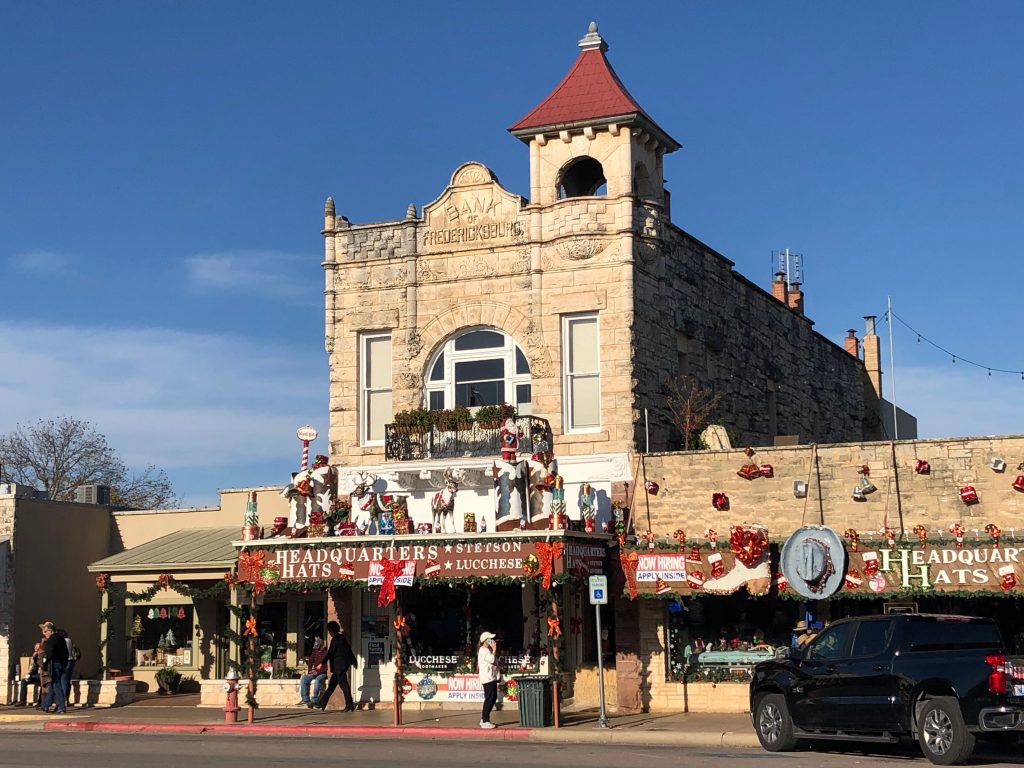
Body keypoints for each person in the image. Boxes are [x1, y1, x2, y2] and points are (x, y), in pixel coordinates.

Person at [314, 621, 356, 711]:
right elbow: (348, 649)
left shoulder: (336, 640)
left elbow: (330, 653)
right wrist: (353, 661)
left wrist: (322, 663)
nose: (329, 633)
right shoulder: (342, 638)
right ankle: (322, 704)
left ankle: (349, 705)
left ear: (332, 631)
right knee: (332, 686)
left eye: (329, 631)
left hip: (339, 667)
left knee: (343, 686)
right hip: (342, 666)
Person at [40, 621, 68, 714]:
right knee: (52, 684)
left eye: (45, 631)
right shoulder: (61, 639)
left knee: (56, 684)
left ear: (50, 630)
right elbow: (66, 653)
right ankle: (45, 705)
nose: (43, 633)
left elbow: (50, 651)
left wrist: (46, 661)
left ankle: (61, 706)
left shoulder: (52, 639)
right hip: (61, 663)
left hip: (54, 663)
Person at [477, 630, 499, 729]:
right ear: (485, 641)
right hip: (487, 678)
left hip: (491, 677)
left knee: (493, 697)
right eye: (489, 639)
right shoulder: (483, 650)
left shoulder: (487, 650)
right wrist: (494, 649)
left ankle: (485, 719)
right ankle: (485, 720)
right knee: (489, 699)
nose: (492, 640)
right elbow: (491, 659)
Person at [297, 637, 328, 707]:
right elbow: (310, 660)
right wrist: (310, 670)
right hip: (315, 671)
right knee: (304, 678)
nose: (318, 649)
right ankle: (305, 699)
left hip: (323, 673)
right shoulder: (315, 651)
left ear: (322, 645)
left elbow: (327, 666)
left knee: (318, 680)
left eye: (319, 647)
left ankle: (315, 700)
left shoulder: (326, 653)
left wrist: (318, 672)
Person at [17, 642, 45, 707]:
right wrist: (29, 674)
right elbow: (32, 667)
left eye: (38, 649)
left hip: (42, 674)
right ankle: (22, 701)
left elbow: (43, 666)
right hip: (35, 675)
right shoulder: (34, 656)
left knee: (43, 682)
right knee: (24, 681)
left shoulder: (43, 655)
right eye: (36, 649)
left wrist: (39, 657)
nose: (36, 650)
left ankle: (40, 702)